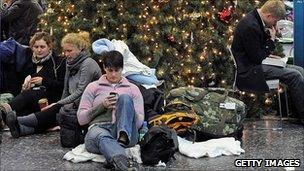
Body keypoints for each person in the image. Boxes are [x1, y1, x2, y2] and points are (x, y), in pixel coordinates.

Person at [3, 31, 102, 138]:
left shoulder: (87, 64)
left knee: (57, 110)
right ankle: (21, 129)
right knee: (51, 110)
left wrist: (58, 102)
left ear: (80, 49)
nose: (66, 54)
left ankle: (16, 120)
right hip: (69, 101)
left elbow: (80, 91)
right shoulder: (69, 62)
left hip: (84, 103)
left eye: (69, 51)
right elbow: (66, 89)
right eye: (65, 51)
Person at [231, 0, 304, 125]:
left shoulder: (256, 18)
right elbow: (257, 57)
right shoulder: (251, 26)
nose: (275, 24)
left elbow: (256, 49)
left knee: (300, 70)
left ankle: (296, 112)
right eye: (275, 21)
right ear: (269, 15)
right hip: (250, 69)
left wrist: (269, 50)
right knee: (295, 76)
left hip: (256, 62)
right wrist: (271, 40)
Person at [77, 50, 144, 171]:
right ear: (104, 68)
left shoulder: (133, 89)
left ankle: (121, 138)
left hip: (128, 132)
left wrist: (126, 108)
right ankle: (122, 162)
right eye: (110, 70)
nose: (113, 75)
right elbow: (81, 119)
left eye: (117, 70)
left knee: (125, 98)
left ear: (122, 69)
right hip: (100, 129)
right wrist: (102, 106)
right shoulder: (93, 87)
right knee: (101, 135)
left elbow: (139, 124)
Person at [0, 31, 65, 121]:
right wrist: (23, 87)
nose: (39, 50)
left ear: (49, 47)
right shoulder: (29, 62)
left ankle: (2, 112)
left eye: (42, 47)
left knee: (27, 96)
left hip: (49, 98)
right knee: (22, 107)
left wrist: (43, 81)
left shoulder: (58, 62)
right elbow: (19, 84)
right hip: (30, 99)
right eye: (36, 47)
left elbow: (62, 86)